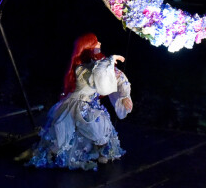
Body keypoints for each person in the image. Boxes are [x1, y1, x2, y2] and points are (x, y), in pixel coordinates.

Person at [24, 33, 132, 170]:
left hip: (90, 106)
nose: (100, 43)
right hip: (76, 105)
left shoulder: (101, 64)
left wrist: (124, 96)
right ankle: (43, 153)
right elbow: (99, 79)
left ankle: (98, 151)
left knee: (98, 129)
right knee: (63, 137)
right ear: (89, 47)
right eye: (96, 42)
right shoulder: (82, 68)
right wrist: (109, 61)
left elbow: (119, 78)